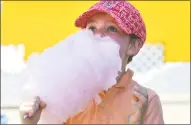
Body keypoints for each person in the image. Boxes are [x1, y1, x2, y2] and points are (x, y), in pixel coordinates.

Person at [19, 1, 164, 124]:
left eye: (112, 29)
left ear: (133, 46)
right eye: (92, 28)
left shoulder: (146, 100)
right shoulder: (67, 91)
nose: (99, 34)